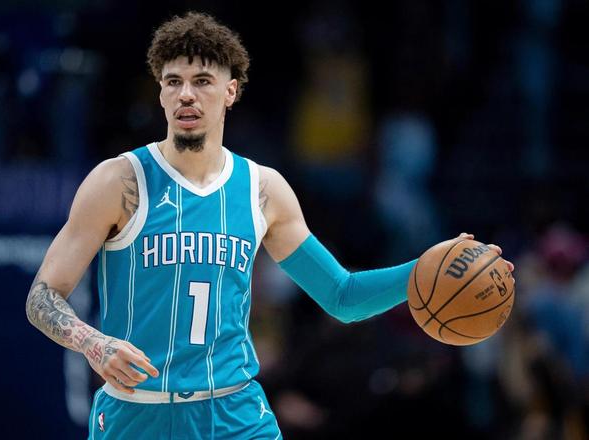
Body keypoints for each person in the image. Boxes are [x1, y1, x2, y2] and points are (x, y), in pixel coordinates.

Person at [25, 12, 515, 439]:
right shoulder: (118, 181)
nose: (186, 94)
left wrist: (428, 268)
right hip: (137, 413)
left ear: (231, 91)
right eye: (173, 82)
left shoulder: (263, 190)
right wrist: (93, 342)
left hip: (233, 413)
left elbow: (341, 296)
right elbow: (42, 296)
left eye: (202, 80)